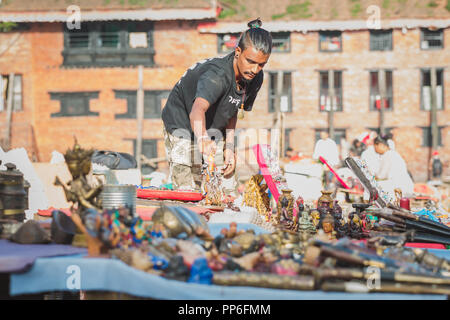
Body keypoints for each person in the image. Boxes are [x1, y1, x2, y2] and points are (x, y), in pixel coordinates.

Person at [161, 18, 272, 193]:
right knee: (189, 191)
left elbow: (233, 110)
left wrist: (229, 147)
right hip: (182, 122)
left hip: (213, 126)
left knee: (226, 188)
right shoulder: (216, 76)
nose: (255, 69)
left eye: (261, 64)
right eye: (250, 61)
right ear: (237, 52)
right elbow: (197, 110)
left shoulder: (255, 77)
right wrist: (203, 140)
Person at [374, 134, 414, 198]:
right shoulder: (393, 153)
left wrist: (374, 177)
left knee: (373, 186)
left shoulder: (387, 155)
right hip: (405, 185)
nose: (375, 149)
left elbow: (381, 175)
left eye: (375, 147)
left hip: (399, 186)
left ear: (381, 145)